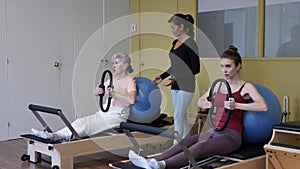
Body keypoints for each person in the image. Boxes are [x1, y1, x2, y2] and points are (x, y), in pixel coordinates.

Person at [129, 45, 268, 169]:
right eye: (222, 66)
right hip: (214, 131)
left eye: (228, 66)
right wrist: (204, 103)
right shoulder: (219, 84)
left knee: (199, 147)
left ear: (238, 66)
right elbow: (201, 100)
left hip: (231, 136)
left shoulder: (246, 87)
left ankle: (163, 165)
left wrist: (237, 105)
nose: (224, 70)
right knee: (184, 141)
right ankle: (151, 160)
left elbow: (263, 106)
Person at [32, 52, 137, 141]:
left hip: (117, 116)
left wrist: (114, 94)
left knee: (87, 126)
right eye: (113, 63)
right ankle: (55, 135)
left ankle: (56, 136)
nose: (113, 65)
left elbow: (131, 100)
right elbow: (95, 92)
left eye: (116, 63)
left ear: (125, 65)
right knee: (80, 121)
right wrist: (98, 91)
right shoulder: (112, 80)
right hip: (104, 113)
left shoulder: (130, 81)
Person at [152, 13, 200, 140]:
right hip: (176, 83)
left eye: (173, 27)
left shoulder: (191, 44)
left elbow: (196, 68)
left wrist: (177, 77)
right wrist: (162, 76)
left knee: (178, 116)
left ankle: (176, 146)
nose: (171, 30)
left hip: (187, 84)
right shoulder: (175, 42)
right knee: (181, 116)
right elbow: (175, 66)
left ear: (182, 26)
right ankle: (186, 143)